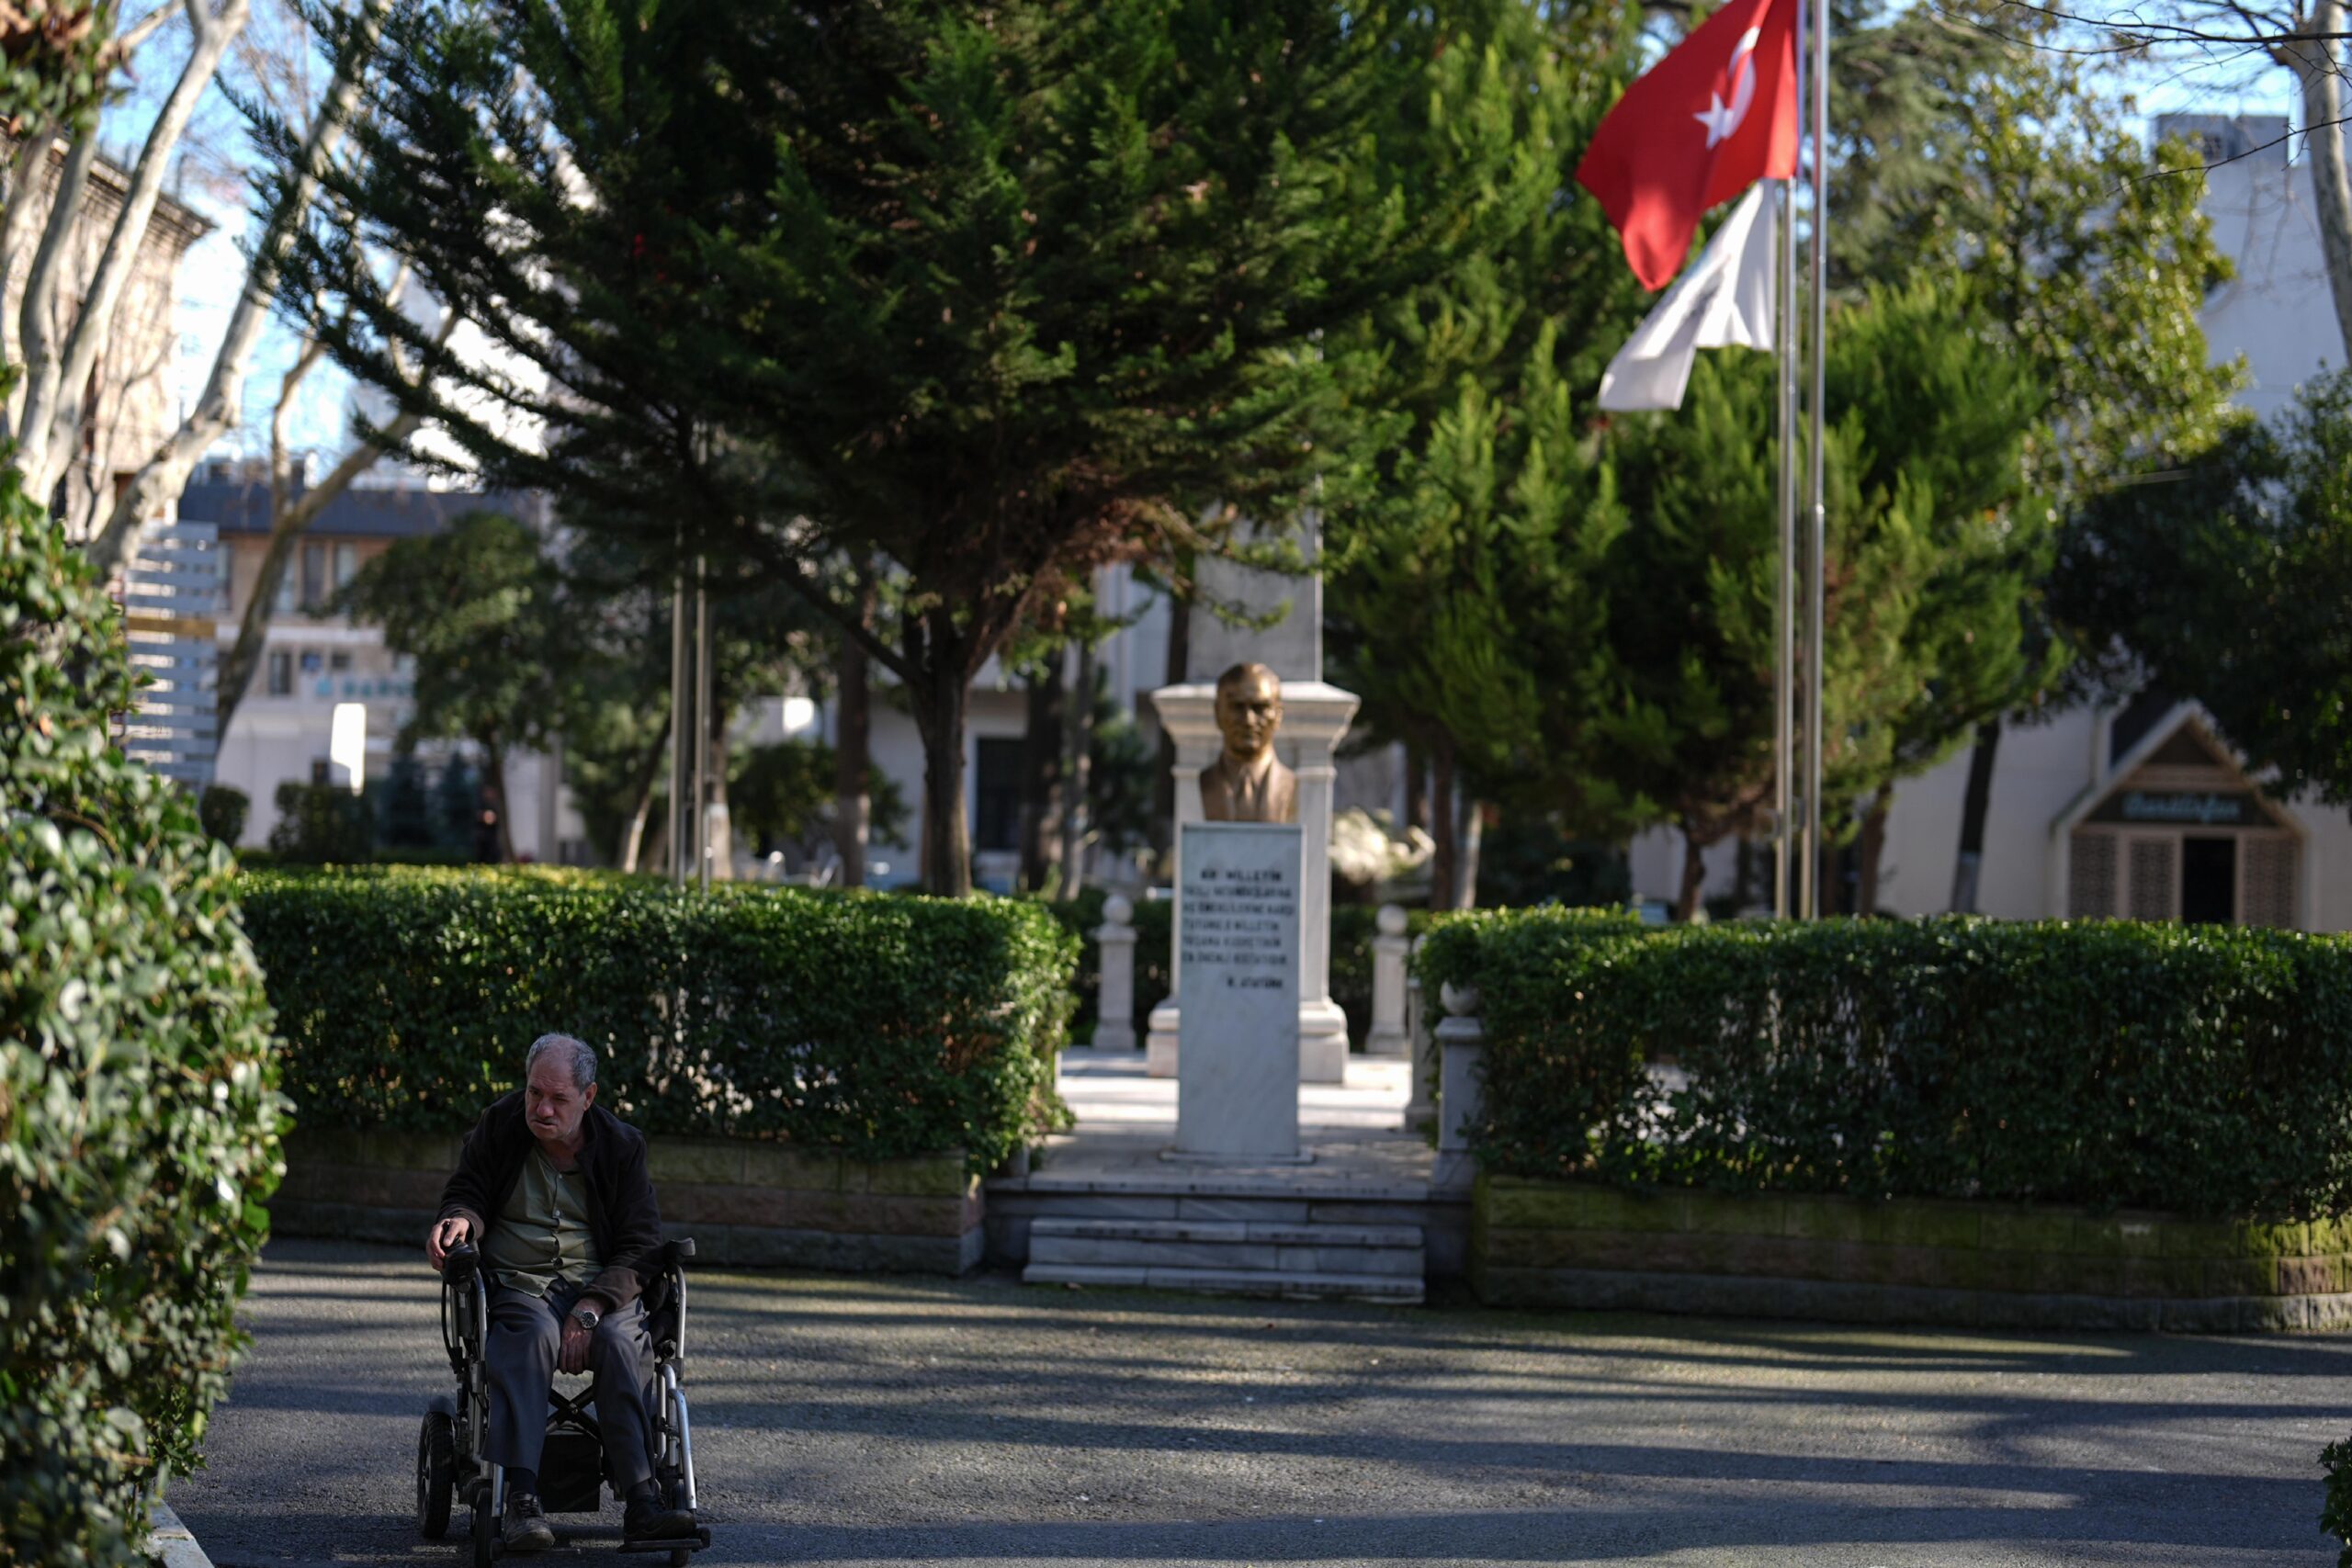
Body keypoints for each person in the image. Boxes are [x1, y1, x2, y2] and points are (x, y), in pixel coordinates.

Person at [426, 1033, 695, 1551]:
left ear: (588, 1097)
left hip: (602, 1289)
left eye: (557, 1099)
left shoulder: (621, 1145)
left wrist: (592, 1306)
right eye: (533, 1094)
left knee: (622, 1344)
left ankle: (643, 1501)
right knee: (526, 1339)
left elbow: (640, 1243)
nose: (541, 1109)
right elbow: (468, 1191)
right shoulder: (499, 1126)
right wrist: (459, 1219)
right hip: (522, 1285)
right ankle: (522, 1501)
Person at [1196, 661, 1298, 823]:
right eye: (1237, 707)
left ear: (1278, 715)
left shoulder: (1292, 783)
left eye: (1260, 707)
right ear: (1217, 712)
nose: (1248, 720)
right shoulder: (1205, 782)